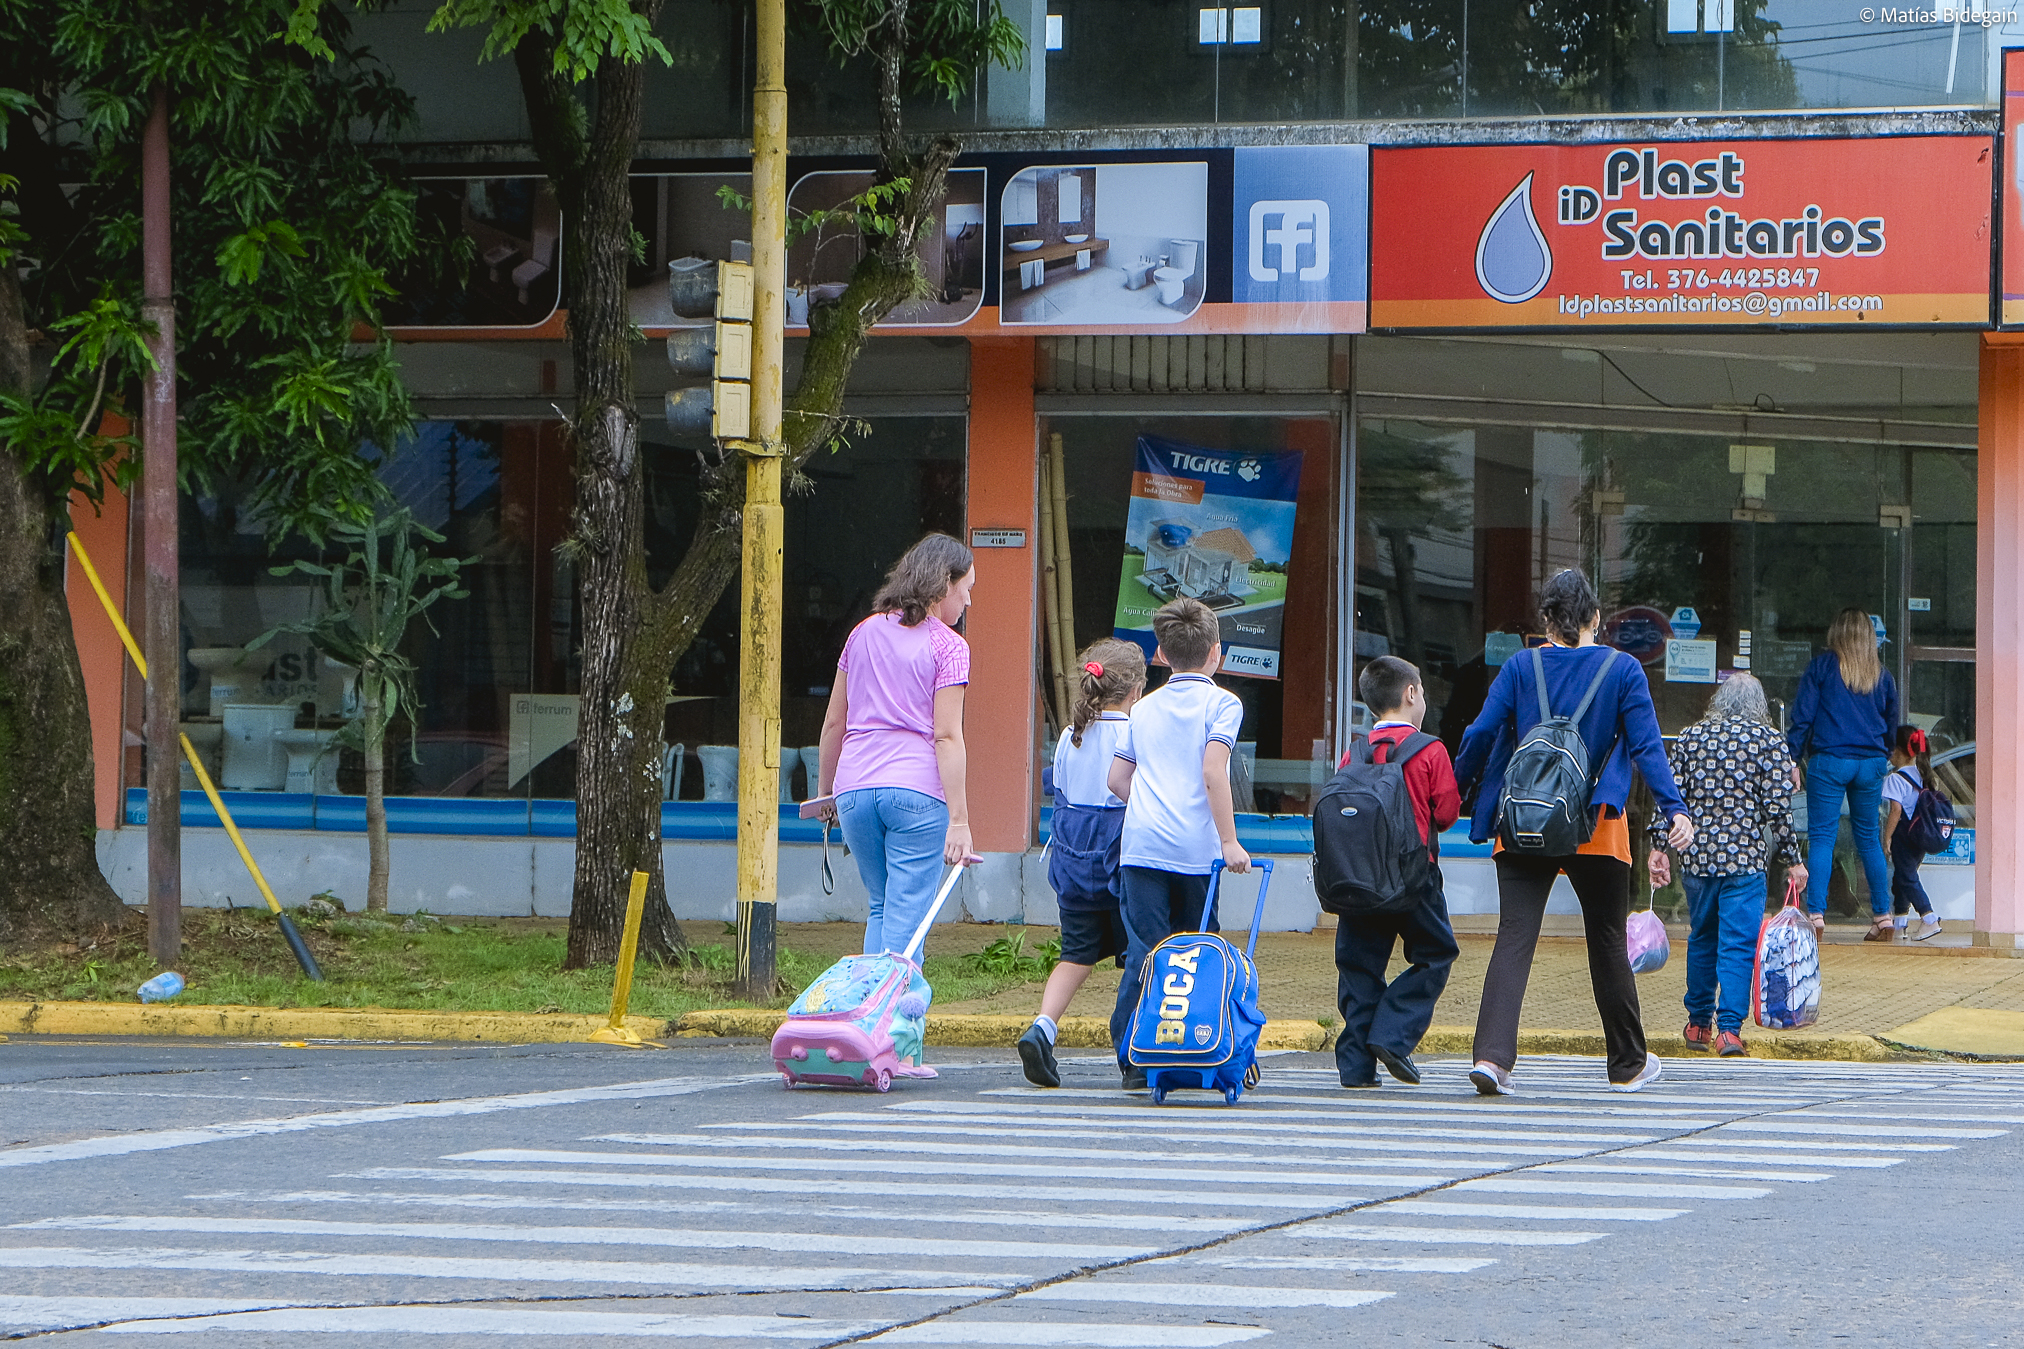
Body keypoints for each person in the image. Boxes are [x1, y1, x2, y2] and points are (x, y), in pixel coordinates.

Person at [1455, 568, 1694, 1096]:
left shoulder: (1520, 666)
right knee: (1607, 940)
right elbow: (1647, 747)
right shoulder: (1623, 669)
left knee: (1514, 936)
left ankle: (1492, 1059)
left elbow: (1482, 732)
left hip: (1523, 822)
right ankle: (1627, 1064)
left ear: (1545, 620)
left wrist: (1452, 791)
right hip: (1596, 825)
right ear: (1596, 618)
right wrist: (1674, 809)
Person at [1105, 598, 1250, 1093]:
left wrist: (1150, 805)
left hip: (1142, 849)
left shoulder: (1142, 707)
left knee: (1146, 950)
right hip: (1197, 852)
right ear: (1216, 653)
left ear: (1162, 655)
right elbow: (1213, 770)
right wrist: (1229, 841)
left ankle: (1133, 1056)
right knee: (1197, 949)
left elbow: (1116, 779)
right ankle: (1192, 1044)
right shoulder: (1223, 704)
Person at [816, 533, 979, 967]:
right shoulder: (949, 646)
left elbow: (833, 723)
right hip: (916, 794)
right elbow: (946, 736)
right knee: (907, 920)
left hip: (854, 790)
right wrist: (960, 821)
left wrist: (826, 794)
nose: (967, 601)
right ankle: (895, 1009)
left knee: (882, 905)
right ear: (944, 584)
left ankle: (871, 1006)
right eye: (965, 589)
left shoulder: (862, 633)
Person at [1651, 673, 1806, 1058]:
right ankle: (1729, 1031)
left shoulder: (1690, 737)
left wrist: (1659, 846)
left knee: (1702, 936)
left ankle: (1698, 1023)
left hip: (1698, 857)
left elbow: (1669, 795)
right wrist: (1793, 859)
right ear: (1759, 705)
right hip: (1745, 860)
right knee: (1737, 944)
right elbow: (1778, 809)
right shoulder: (1769, 740)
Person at [1016, 640, 1146, 1087]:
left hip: (1074, 868)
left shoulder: (1070, 737)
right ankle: (1133, 1050)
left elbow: (1062, 795)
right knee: (1138, 958)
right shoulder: (1134, 734)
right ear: (1136, 690)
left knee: (1075, 954)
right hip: (1121, 866)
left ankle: (1042, 1028)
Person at [1332, 654, 1461, 1089]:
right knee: (1435, 954)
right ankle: (1392, 1034)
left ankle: (1355, 1066)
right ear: (1410, 694)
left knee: (1359, 967)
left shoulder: (1355, 751)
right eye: (1421, 691)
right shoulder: (1430, 750)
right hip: (1413, 877)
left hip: (1358, 878)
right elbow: (1446, 813)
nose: (1423, 699)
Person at [1788, 607, 1900, 942]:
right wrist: (1883, 754)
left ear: (1836, 633)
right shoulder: (1882, 675)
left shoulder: (1822, 667)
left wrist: (1792, 757)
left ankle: (1816, 916)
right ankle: (1883, 917)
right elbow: (1892, 722)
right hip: (1870, 762)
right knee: (1869, 838)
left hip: (1830, 759)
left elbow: (1803, 716)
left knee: (1823, 837)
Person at [1883, 725, 1943, 942]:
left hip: (1904, 835)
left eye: (1891, 749)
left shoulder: (1895, 778)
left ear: (1899, 751)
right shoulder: (1923, 774)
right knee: (1902, 877)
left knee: (1907, 878)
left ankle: (1929, 917)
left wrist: (1887, 837)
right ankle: (1900, 923)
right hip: (1920, 835)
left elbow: (1896, 810)